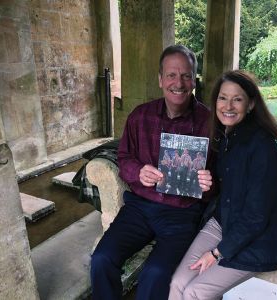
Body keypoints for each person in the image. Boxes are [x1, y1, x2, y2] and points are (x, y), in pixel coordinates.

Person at [90, 45, 213, 300]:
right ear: (160, 80)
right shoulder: (140, 116)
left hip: (182, 213)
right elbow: (123, 157)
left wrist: (210, 181)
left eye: (186, 75)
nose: (178, 83)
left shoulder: (209, 122)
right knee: (101, 259)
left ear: (194, 80)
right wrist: (137, 172)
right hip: (139, 208)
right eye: (171, 75)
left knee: (154, 273)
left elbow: (222, 176)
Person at [168, 70, 277, 300]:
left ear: (251, 104)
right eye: (223, 98)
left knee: (195, 292)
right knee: (178, 283)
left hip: (256, 239)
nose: (228, 106)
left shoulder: (264, 150)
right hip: (223, 222)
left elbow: (255, 218)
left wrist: (216, 253)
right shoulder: (226, 138)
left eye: (237, 99)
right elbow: (224, 189)